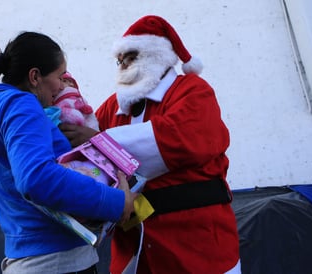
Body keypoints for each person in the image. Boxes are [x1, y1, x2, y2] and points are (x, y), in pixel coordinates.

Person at [60, 15, 241, 273]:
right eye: (119, 60)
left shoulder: (192, 90)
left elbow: (182, 139)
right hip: (135, 244)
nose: (123, 64)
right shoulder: (115, 105)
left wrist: (100, 141)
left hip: (196, 241)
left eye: (130, 56)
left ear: (157, 55)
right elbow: (83, 147)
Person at [0, 31, 136, 274]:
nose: (62, 85)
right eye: (60, 76)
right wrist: (114, 202)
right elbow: (37, 178)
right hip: (57, 262)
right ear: (35, 76)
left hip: (30, 256)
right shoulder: (22, 105)